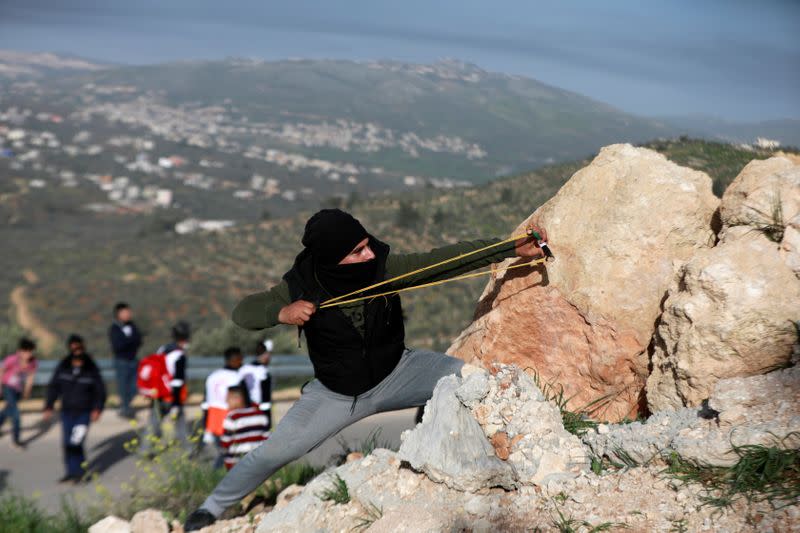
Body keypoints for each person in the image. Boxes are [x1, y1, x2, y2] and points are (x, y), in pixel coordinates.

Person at [184, 208, 547, 529]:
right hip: (334, 395)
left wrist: (510, 248)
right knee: (274, 453)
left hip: (401, 371)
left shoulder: (382, 266)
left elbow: (446, 259)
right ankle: (210, 509)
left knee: (472, 383)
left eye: (366, 243)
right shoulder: (297, 286)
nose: (370, 253)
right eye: (358, 251)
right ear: (331, 259)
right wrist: (283, 313)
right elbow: (243, 312)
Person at [43, 334, 106, 483]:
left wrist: (98, 408)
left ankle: (81, 473)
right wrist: (48, 406)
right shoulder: (63, 366)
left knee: (76, 442)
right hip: (67, 412)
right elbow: (54, 387)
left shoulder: (91, 368)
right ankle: (71, 472)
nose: (77, 351)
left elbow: (100, 391)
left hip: (84, 413)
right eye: (74, 348)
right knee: (67, 444)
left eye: (79, 348)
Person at [147, 321, 190, 448]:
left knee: (153, 423)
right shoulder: (179, 355)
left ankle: (146, 449)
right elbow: (177, 380)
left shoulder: (162, 349)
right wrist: (176, 402)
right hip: (172, 395)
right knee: (180, 423)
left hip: (158, 393)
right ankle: (189, 450)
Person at [201, 346, 244, 466]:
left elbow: (205, 403)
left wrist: (206, 426)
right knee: (229, 454)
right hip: (228, 419)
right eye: (240, 359)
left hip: (213, 420)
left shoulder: (212, 376)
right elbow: (238, 402)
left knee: (222, 452)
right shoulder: (236, 378)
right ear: (234, 359)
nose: (242, 362)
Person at [219, 383, 269, 471]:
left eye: (228, 398)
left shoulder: (232, 417)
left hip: (236, 464)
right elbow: (267, 439)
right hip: (258, 462)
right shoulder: (260, 415)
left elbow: (225, 442)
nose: (226, 401)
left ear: (238, 399)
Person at [0, 338, 39, 449]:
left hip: (18, 390)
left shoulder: (33, 362)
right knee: (16, 414)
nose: (29, 354)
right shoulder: (12, 359)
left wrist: (27, 391)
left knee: (7, 411)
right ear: (20, 351)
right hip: (8, 387)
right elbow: (1, 370)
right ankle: (16, 441)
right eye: (26, 351)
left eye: (31, 351)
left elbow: (30, 377)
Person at [109, 302, 143, 419]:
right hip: (121, 361)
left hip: (133, 360)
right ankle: (125, 408)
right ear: (118, 314)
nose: (127, 314)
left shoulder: (133, 326)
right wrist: (130, 341)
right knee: (123, 386)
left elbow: (138, 340)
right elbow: (118, 345)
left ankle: (126, 406)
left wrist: (129, 342)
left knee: (135, 385)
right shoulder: (114, 328)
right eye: (124, 312)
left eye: (128, 312)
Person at [238, 340, 273, 430]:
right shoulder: (263, 372)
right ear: (265, 354)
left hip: (242, 409)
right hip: (257, 410)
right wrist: (267, 420)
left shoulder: (243, 369)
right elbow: (265, 399)